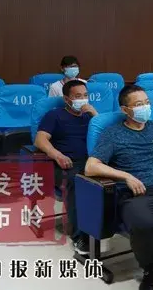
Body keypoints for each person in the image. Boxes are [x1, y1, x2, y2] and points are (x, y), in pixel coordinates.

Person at [85, 85, 153, 290]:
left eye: (147, 103)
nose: (145, 107)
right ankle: (150, 270)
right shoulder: (113, 134)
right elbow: (91, 166)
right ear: (125, 110)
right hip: (138, 197)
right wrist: (126, 176)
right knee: (143, 224)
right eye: (138, 104)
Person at [35, 79, 98, 254]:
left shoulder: (90, 117)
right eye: (78, 96)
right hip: (64, 163)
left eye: (85, 95)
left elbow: (107, 134)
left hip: (90, 162)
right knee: (77, 183)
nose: (83, 99)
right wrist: (57, 155)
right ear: (66, 99)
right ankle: (79, 237)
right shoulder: (54, 115)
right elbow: (40, 139)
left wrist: (95, 114)